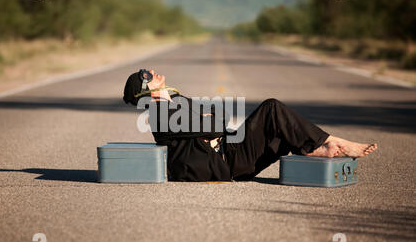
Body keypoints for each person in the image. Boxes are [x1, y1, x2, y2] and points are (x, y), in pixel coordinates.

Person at [123, 69, 378, 182]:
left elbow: (215, 118)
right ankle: (332, 142)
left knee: (280, 130)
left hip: (228, 152)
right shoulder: (159, 113)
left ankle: (316, 148)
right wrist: (210, 119)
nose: (152, 73)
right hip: (225, 159)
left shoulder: (172, 103)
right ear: (143, 91)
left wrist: (210, 118)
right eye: (146, 76)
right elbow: (216, 123)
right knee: (271, 109)